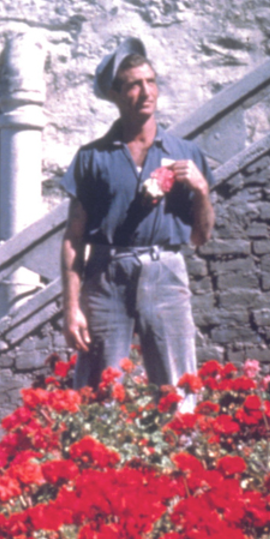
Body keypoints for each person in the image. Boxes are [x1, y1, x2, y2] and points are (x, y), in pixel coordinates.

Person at [60, 37, 215, 390]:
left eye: (151, 81)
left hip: (166, 271)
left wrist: (202, 191)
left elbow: (200, 236)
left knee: (179, 387)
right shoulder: (92, 157)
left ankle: (182, 430)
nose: (146, 91)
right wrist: (71, 308)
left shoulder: (185, 153)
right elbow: (73, 238)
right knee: (100, 389)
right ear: (115, 95)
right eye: (133, 85)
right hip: (106, 275)